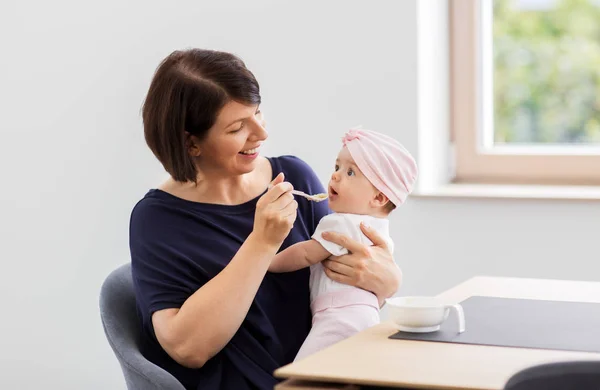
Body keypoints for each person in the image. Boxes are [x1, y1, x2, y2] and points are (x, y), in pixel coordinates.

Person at [129, 48, 403, 390]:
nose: (261, 134)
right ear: (192, 142)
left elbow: (346, 278)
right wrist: (262, 242)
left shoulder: (294, 176)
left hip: (332, 372)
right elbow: (188, 348)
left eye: (258, 114)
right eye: (237, 128)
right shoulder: (157, 219)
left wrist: (389, 282)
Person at [269, 128, 417, 360]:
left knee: (300, 374)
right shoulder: (380, 230)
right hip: (365, 317)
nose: (335, 176)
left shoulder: (339, 223)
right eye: (337, 167)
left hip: (338, 318)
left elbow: (306, 253)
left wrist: (268, 261)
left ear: (378, 198)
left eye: (350, 172)